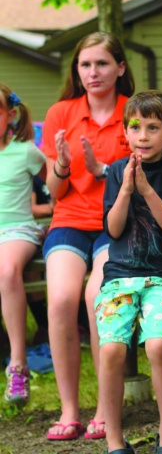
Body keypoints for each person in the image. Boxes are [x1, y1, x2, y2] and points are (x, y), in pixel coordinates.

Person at [41, 31, 134, 441]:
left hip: (116, 223)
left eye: (101, 63)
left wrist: (102, 171)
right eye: (85, 65)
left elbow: (145, 178)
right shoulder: (62, 112)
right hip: (69, 222)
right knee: (60, 298)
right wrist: (61, 165)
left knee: (97, 297)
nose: (93, 72)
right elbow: (55, 191)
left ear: (120, 68)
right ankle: (69, 410)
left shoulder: (133, 111)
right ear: (76, 71)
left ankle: (104, 408)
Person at [96, 90, 162, 454]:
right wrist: (125, 190)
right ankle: (114, 440)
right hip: (119, 276)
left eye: (153, 128)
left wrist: (147, 190)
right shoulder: (117, 170)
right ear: (126, 131)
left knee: (157, 344)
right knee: (111, 351)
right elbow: (113, 229)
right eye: (136, 127)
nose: (143, 136)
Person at [0, 85, 46, 405]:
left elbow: (56, 183)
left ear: (10, 115)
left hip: (18, 228)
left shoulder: (25, 150)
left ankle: (18, 365)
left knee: (7, 270)